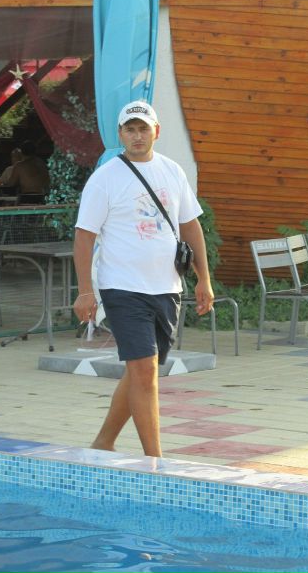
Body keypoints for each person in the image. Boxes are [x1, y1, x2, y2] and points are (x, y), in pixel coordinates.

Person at [73, 100, 214, 458]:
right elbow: (84, 235)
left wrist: (204, 279)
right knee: (144, 370)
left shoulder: (172, 171)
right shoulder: (105, 178)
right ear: (120, 134)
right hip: (122, 287)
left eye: (143, 129)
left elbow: (190, 226)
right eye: (130, 129)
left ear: (156, 132)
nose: (137, 136)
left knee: (142, 372)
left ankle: (104, 441)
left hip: (167, 287)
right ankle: (155, 460)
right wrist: (85, 291)